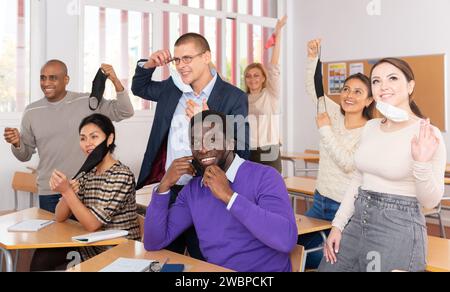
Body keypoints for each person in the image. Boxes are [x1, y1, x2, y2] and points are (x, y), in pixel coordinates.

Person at [319, 58, 446, 272]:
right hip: (358, 221)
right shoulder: (371, 127)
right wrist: (338, 225)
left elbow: (431, 201)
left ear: (410, 86)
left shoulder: (426, 132)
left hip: (398, 228)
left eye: (393, 78)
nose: (383, 86)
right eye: (376, 81)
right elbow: (358, 179)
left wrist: (421, 164)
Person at [131, 33, 250, 260]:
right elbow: (140, 88)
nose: (181, 66)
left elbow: (241, 150)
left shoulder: (233, 97)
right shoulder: (172, 89)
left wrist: (206, 120)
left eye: (187, 58)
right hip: (173, 188)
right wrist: (149, 65)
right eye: (177, 60)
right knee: (165, 256)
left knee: (203, 256)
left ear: (206, 57)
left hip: (208, 190)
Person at [144, 110, 297, 272]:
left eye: (212, 139)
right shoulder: (194, 190)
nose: (202, 149)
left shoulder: (265, 177)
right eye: (195, 142)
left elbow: (286, 240)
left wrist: (229, 197)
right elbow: (154, 242)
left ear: (230, 142)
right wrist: (164, 186)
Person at [3, 60, 134, 213]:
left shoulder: (87, 102)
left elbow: (125, 111)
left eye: (53, 78)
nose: (46, 83)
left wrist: (116, 82)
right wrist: (17, 143)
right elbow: (24, 155)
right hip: (51, 191)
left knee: (87, 235)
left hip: (87, 190)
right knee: (54, 237)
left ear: (66, 80)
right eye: (42, 78)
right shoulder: (31, 112)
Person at [297, 39, 375, 269]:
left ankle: (352, 261)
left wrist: (325, 130)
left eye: (358, 92)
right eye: (346, 89)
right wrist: (312, 57)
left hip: (343, 207)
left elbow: (349, 164)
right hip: (319, 199)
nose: (349, 95)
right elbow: (314, 88)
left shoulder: (370, 130)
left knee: (331, 258)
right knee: (294, 246)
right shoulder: (332, 112)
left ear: (369, 100)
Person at [30, 114, 140, 271]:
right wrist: (66, 190)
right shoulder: (88, 173)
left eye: (94, 137)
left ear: (110, 139)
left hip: (117, 250)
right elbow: (59, 217)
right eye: (83, 138)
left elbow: (92, 225)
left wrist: (67, 191)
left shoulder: (121, 175)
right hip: (89, 246)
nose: (88, 143)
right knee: (43, 256)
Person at [244, 16, 287, 173]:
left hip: (269, 149)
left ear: (263, 78)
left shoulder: (270, 94)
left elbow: (274, 65)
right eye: (248, 76)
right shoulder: (243, 98)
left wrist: (278, 32)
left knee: (271, 192)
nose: (252, 79)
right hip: (249, 150)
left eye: (256, 75)